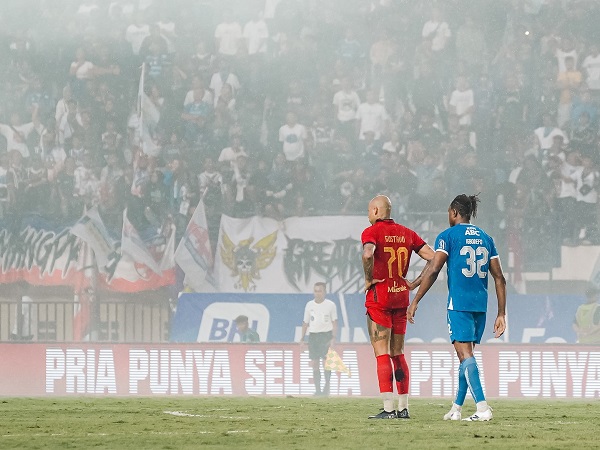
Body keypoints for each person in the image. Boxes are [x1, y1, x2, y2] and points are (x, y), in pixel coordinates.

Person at [407, 194, 507, 422]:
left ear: (454, 212)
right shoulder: (486, 237)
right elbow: (499, 277)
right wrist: (501, 313)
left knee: (465, 357)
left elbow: (433, 269)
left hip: (459, 304)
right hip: (480, 305)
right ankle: (456, 408)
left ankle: (482, 408)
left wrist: (415, 300)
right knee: (466, 357)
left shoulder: (447, 236)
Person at [361, 195, 434, 419]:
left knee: (382, 354)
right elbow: (433, 258)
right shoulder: (407, 232)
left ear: (375, 210)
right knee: (398, 353)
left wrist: (368, 278)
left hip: (380, 299)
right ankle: (403, 408)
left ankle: (388, 408)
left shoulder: (371, 232)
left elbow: (367, 254)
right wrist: (414, 282)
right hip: (401, 297)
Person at [300, 282, 338, 396]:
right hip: (313, 336)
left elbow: (334, 322)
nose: (317, 293)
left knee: (326, 363)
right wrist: (302, 339)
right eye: (315, 291)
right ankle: (317, 390)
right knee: (315, 363)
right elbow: (305, 322)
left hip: (326, 335)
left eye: (320, 291)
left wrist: (333, 338)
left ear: (324, 292)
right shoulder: (309, 305)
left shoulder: (330, 305)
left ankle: (326, 388)